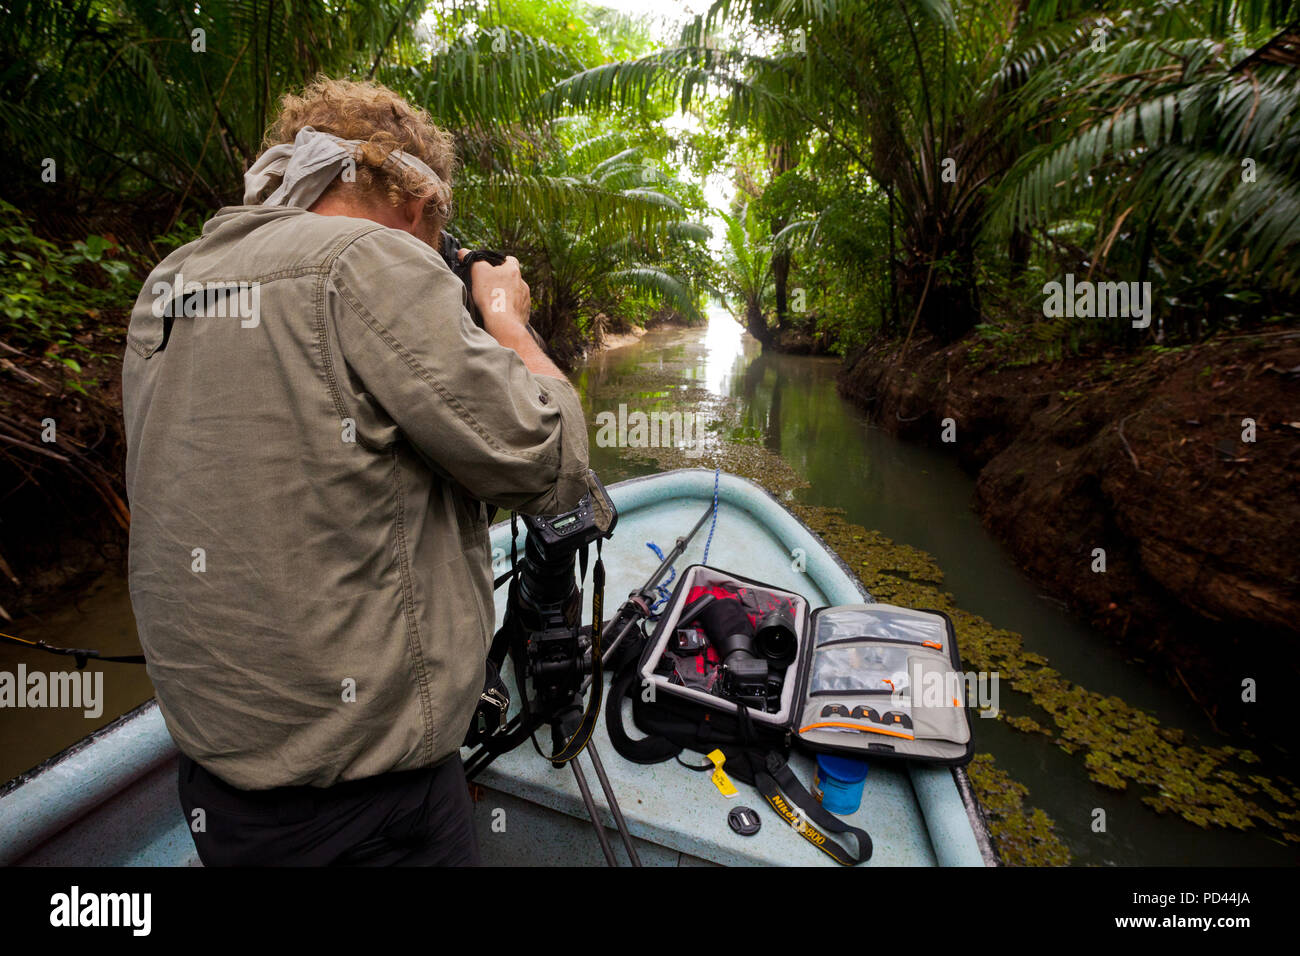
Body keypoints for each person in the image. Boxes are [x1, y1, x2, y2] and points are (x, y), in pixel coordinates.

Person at [121, 78, 595, 866]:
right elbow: (549, 460)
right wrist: (505, 317)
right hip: (371, 808)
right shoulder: (365, 258)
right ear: (414, 205)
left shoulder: (170, 284)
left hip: (219, 792)